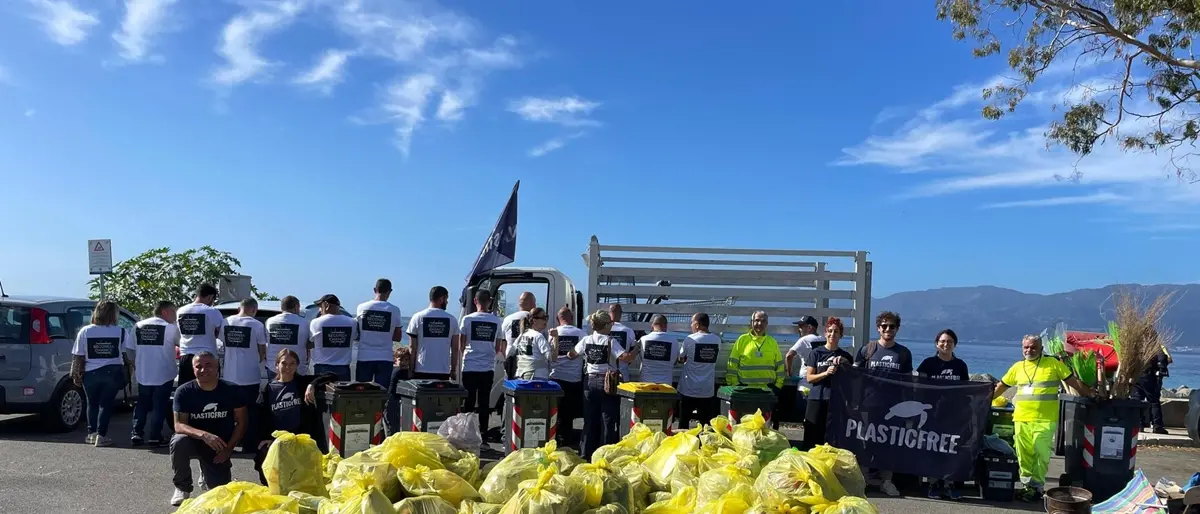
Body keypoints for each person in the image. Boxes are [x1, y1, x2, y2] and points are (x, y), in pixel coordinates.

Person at [993, 334, 1093, 502]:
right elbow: (1001, 386)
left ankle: (1037, 487)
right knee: (1023, 454)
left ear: (1041, 348)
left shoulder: (1053, 364)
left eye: (1033, 347)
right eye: (1026, 347)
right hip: (1021, 418)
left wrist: (1091, 395)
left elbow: (1073, 382)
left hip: (1045, 419)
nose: (1029, 350)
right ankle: (1027, 486)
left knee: (1041, 453)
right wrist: (983, 400)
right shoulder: (1017, 367)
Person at [170, 352, 248, 507]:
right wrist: (203, 435)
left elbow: (242, 423)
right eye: (198, 366)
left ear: (217, 366)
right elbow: (179, 425)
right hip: (194, 441)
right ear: (193, 370)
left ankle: (206, 471)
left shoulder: (232, 390)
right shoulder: (184, 391)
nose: (204, 370)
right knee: (179, 441)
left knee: (220, 494)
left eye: (208, 365)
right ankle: (182, 487)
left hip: (218, 445)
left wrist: (228, 449)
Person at [253, 349, 337, 485]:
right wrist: (266, 438)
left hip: (301, 439)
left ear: (297, 365)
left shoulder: (302, 383)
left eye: (292, 363)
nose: (288, 367)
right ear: (276, 365)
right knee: (264, 459)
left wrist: (312, 385)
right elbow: (260, 418)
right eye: (284, 363)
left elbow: (332, 375)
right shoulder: (268, 388)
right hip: (278, 440)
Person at [854, 311, 914, 497]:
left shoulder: (903, 353)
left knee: (889, 443)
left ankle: (886, 481)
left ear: (897, 329)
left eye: (892, 326)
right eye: (884, 326)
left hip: (893, 407)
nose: (888, 329)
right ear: (878, 328)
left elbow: (908, 383)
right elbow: (854, 376)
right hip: (868, 404)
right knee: (865, 441)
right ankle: (862, 481)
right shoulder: (867, 350)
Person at [566, 310, 634, 459]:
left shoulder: (586, 340)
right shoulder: (610, 341)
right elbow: (626, 358)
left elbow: (571, 355)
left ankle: (585, 454)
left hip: (589, 382)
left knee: (589, 421)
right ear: (606, 325)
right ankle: (605, 456)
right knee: (608, 421)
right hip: (607, 383)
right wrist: (637, 348)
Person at [70, 300, 136, 447]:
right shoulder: (120, 331)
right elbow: (127, 355)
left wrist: (76, 374)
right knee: (106, 405)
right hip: (112, 371)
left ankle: (91, 434)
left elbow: (78, 355)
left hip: (90, 373)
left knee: (92, 404)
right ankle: (101, 435)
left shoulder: (85, 331)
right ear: (114, 314)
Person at [916, 329, 969, 501]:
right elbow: (918, 387)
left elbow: (966, 389)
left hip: (954, 414)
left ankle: (950, 483)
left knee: (952, 448)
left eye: (949, 342)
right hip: (933, 414)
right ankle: (934, 483)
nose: (946, 345)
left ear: (955, 345)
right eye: (942, 341)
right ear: (936, 343)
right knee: (934, 449)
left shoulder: (960, 365)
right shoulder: (927, 363)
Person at [132, 300, 181, 447]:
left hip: (143, 372)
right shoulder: (170, 328)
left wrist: (135, 364)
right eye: (173, 312)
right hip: (163, 372)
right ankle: (155, 436)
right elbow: (181, 344)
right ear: (164, 312)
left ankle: (136, 433)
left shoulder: (138, 325)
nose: (175, 316)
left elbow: (129, 349)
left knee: (142, 404)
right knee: (159, 405)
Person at [221, 298, 268, 451]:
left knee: (228, 413)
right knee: (250, 413)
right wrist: (258, 360)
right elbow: (262, 349)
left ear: (239, 308)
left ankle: (227, 443)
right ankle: (249, 444)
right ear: (254, 310)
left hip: (229, 376)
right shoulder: (257, 324)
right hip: (250, 376)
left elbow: (221, 343)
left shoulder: (226, 322)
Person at [802, 317, 853, 451]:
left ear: (841, 335)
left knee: (832, 439)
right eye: (829, 331)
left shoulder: (845, 356)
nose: (832, 334)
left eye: (836, 331)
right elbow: (809, 378)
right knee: (811, 437)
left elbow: (851, 380)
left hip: (835, 401)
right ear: (825, 333)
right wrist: (826, 373)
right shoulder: (816, 353)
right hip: (816, 399)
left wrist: (844, 364)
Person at [458, 290, 504, 437]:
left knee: (469, 401)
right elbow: (498, 347)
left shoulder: (467, 319)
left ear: (475, 301)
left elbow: (461, 344)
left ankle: (467, 432)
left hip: (469, 365)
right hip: (488, 366)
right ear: (489, 301)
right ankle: (483, 433)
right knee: (484, 402)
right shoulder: (497, 321)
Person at [355, 279, 404, 388]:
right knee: (382, 393)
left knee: (361, 393)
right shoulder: (394, 310)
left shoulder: (361, 307)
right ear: (390, 291)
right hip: (385, 357)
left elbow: (357, 331)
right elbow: (397, 337)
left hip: (364, 356)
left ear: (374, 290)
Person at [677, 312, 721, 430]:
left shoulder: (690, 339)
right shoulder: (717, 340)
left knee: (684, 423)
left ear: (697, 324)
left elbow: (681, 358)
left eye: (692, 323)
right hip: (707, 390)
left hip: (688, 389)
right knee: (705, 424)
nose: (691, 325)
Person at [549, 307, 585, 446]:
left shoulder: (552, 333)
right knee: (568, 413)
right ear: (571, 318)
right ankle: (567, 441)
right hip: (573, 378)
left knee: (555, 411)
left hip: (555, 376)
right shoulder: (581, 333)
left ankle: (554, 438)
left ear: (558, 319)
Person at [406, 286, 460, 380]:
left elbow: (412, 347)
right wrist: (453, 370)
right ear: (441, 298)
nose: (447, 302)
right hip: (443, 370)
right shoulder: (452, 319)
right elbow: (455, 348)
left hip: (421, 368)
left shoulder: (417, 317)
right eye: (446, 299)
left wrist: (411, 369)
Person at [176, 284, 226, 384]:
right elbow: (222, 333)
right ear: (210, 297)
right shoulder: (212, 311)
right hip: (207, 357)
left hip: (186, 357)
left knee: (186, 391)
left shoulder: (181, 311)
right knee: (209, 390)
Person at [726, 311, 785, 392]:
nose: (760, 323)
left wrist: (778, 386)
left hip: (767, 390)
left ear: (767, 324)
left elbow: (780, 366)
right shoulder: (742, 340)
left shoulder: (772, 342)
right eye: (757, 320)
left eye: (763, 321)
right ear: (751, 322)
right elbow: (732, 364)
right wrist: (735, 385)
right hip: (745, 389)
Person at [308, 294, 358, 382]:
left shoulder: (316, 322)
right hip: (343, 368)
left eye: (320, 306)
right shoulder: (352, 322)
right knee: (342, 395)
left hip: (322, 368)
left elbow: (310, 341)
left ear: (326, 305)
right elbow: (355, 337)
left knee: (321, 395)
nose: (320, 309)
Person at [265, 296, 312, 379]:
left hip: (274, 368)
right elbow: (310, 344)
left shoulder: (270, 321)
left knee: (274, 391)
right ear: (296, 307)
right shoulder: (305, 323)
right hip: (297, 369)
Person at [1134, 343, 1172, 434]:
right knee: (1154, 401)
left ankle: (1138, 425)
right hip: (1149, 376)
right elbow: (1162, 358)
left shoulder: (1136, 345)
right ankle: (1157, 426)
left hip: (1137, 376)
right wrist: (1162, 370)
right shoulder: (1154, 347)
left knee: (1136, 400)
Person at [509, 307, 554, 379]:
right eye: (543, 318)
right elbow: (551, 357)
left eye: (546, 317)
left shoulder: (521, 336)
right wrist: (555, 340)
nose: (546, 320)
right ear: (534, 320)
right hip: (537, 376)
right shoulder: (538, 336)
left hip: (521, 375)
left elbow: (509, 353)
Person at [637, 314, 681, 385]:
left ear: (652, 325)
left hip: (645, 384)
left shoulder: (643, 339)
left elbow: (641, 358)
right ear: (666, 326)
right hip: (666, 385)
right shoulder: (674, 341)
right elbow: (675, 361)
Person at [501, 292, 536, 378]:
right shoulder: (536, 320)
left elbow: (502, 342)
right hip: (529, 360)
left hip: (511, 360)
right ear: (533, 304)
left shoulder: (507, 319)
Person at [785, 316, 825, 380]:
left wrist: (789, 373)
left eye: (801, 327)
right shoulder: (823, 340)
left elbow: (789, 356)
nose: (799, 329)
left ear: (809, 327)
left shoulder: (804, 340)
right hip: (819, 378)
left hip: (806, 380)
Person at [608, 304, 638, 382]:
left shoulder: (603, 330)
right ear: (621, 314)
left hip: (606, 375)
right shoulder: (628, 330)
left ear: (609, 313)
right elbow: (632, 351)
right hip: (622, 374)